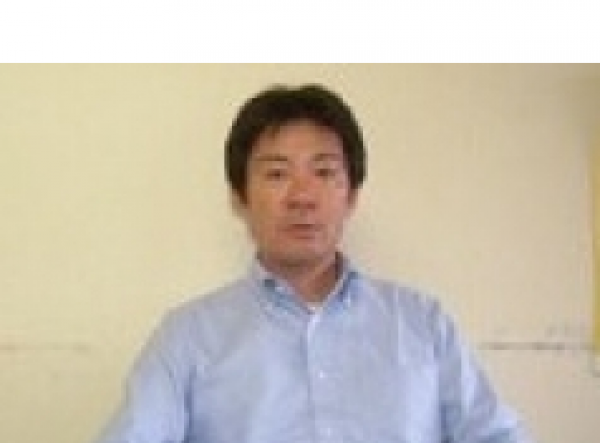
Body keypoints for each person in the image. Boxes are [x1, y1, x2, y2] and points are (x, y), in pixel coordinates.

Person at [96, 84, 533, 443]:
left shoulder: (423, 324)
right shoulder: (188, 338)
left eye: (323, 172)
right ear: (239, 198)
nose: (302, 196)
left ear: (352, 196)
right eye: (277, 174)